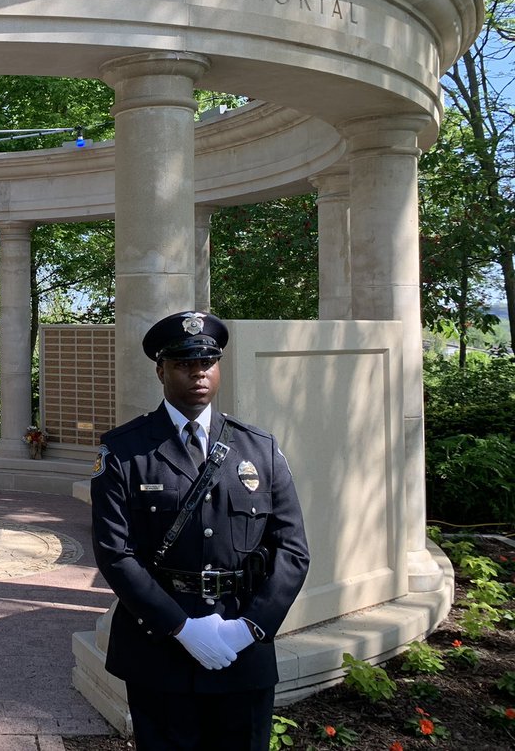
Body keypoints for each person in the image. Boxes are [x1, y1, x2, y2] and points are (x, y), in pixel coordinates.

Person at [90, 311, 309, 750]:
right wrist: (181, 628)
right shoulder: (125, 450)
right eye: (184, 363)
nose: (198, 373)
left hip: (241, 641)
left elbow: (292, 551)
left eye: (207, 362)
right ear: (161, 370)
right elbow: (115, 553)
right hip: (160, 647)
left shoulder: (258, 448)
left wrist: (250, 627)